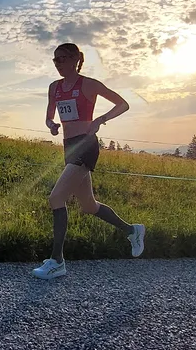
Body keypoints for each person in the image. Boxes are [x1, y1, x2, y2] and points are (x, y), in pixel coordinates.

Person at [32, 43, 145, 279]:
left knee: (56, 198)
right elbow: (49, 116)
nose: (58, 64)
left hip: (86, 145)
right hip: (68, 146)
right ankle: (132, 231)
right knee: (89, 206)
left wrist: (100, 120)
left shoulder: (89, 84)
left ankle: (57, 261)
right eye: (55, 60)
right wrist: (51, 125)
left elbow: (123, 104)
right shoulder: (54, 88)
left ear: (75, 59)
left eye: (62, 59)